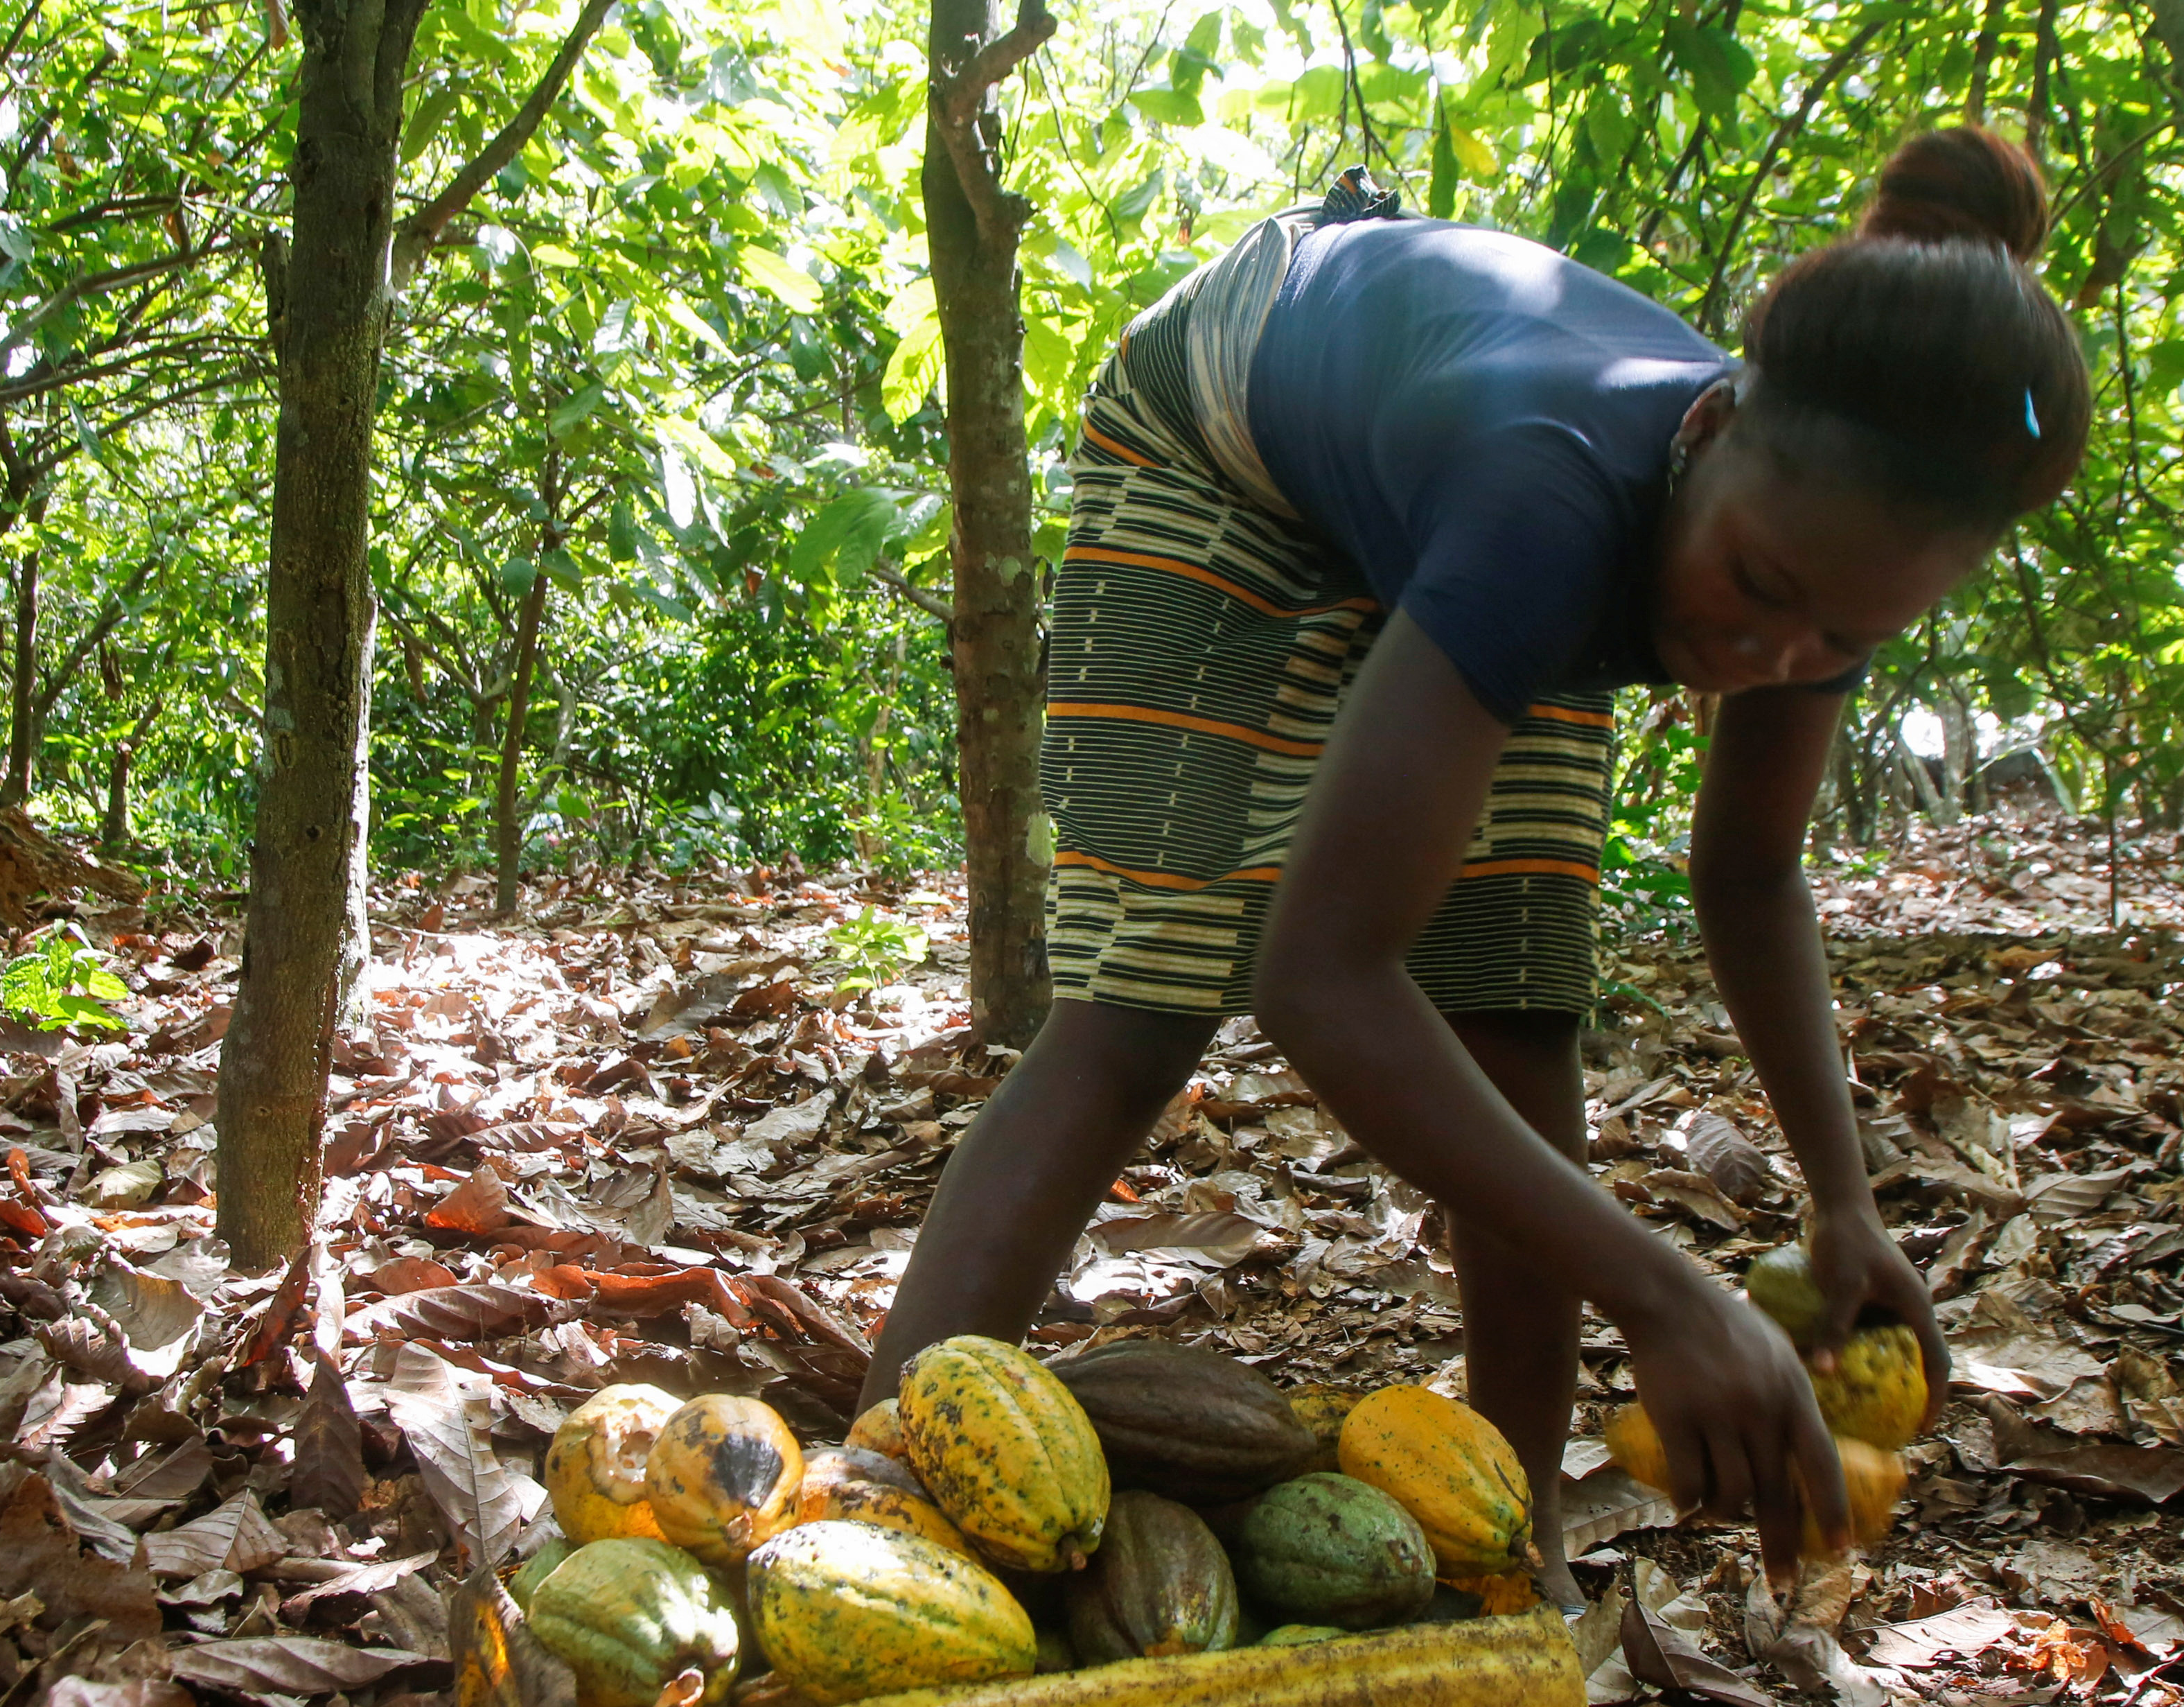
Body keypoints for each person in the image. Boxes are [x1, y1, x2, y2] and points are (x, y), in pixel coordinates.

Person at [859, 128, 2092, 1592]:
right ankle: (886, 1481)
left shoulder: (1821, 546)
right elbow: (1322, 974)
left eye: (1843, 638)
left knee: (1510, 1000)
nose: (1775, 657)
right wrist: (1659, 1289)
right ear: (1704, 438)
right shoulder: (1548, 504)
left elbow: (1750, 874)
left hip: (1486, 502)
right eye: (1758, 590)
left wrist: (1843, 1200)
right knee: (1148, 998)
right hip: (1221, 431)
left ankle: (1509, 1541)